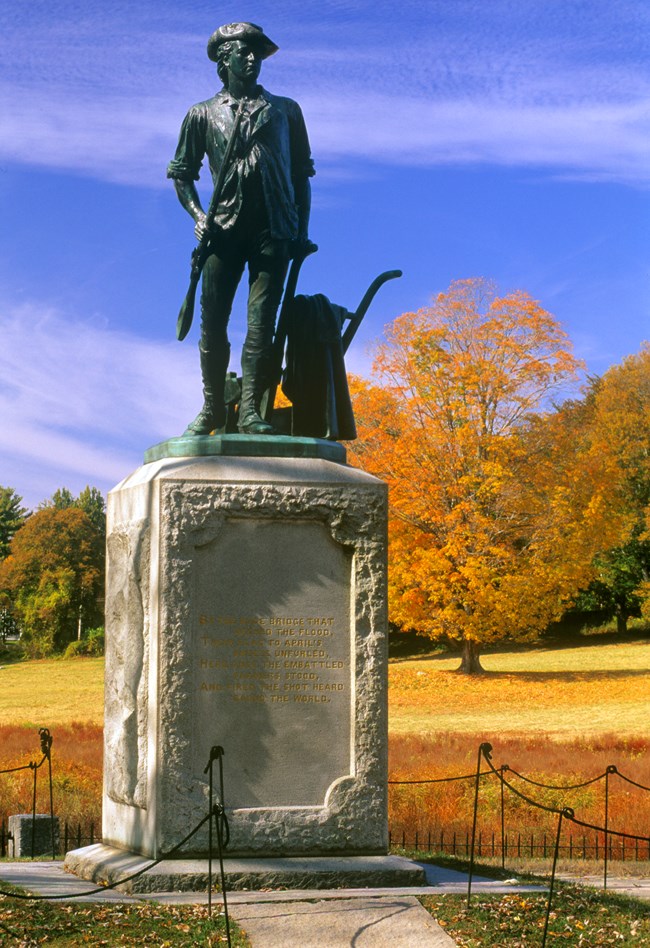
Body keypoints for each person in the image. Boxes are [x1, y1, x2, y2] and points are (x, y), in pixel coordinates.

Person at [167, 22, 315, 436]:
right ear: (223, 60)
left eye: (256, 53)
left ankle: (251, 411)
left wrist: (301, 231)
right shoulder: (201, 114)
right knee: (212, 322)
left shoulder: (287, 111)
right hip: (223, 230)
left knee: (261, 325)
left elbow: (302, 176)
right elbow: (181, 173)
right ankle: (214, 408)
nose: (252, 59)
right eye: (243, 52)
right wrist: (198, 216)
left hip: (274, 228)